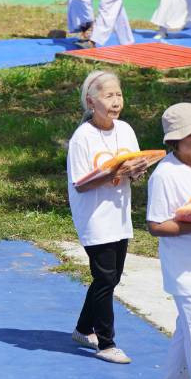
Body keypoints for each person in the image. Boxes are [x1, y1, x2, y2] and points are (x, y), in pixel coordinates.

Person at [66, 70, 140, 363]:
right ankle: (106, 343)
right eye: (108, 96)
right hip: (95, 217)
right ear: (90, 101)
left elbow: (132, 166)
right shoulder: (82, 137)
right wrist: (114, 172)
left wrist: (136, 170)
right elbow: (81, 183)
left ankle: (84, 328)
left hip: (119, 215)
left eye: (118, 94)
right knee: (105, 277)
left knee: (110, 277)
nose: (116, 101)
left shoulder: (126, 130)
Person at [146, 102, 191, 379]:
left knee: (184, 335)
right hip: (186, 273)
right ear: (175, 142)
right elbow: (156, 225)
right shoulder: (165, 175)